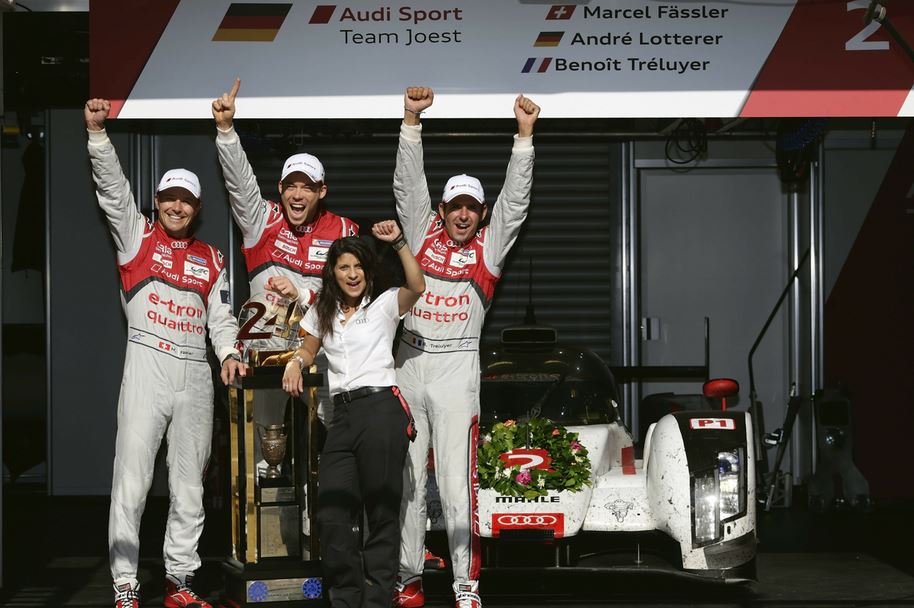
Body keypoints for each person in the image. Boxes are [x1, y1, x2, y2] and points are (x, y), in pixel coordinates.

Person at [85, 98, 249, 608]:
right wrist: (98, 138)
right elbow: (113, 192)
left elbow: (221, 318)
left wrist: (226, 352)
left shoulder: (211, 257)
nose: (176, 207)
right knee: (131, 481)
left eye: (186, 200)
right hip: (147, 364)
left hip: (195, 374)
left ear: (198, 208)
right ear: (157, 200)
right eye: (169, 198)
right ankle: (125, 583)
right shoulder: (135, 237)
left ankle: (181, 581)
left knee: (190, 487)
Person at [392, 87, 540, 608]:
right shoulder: (422, 229)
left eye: (471, 208)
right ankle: (407, 579)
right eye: (454, 206)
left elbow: (515, 203)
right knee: (408, 481)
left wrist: (523, 138)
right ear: (442, 208)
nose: (462, 215)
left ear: (480, 213)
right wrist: (412, 120)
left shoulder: (490, 248)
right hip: (408, 361)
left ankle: (465, 585)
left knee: (457, 485)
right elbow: (408, 183)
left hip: (457, 366)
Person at [282, 221, 425, 608]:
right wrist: (296, 363)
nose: (352, 274)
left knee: (381, 510)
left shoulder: (383, 304)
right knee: (330, 510)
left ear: (368, 270)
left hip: (380, 409)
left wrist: (399, 243)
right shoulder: (323, 310)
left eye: (358, 266)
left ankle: (378, 599)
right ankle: (346, 598)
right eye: (344, 267)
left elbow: (417, 286)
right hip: (340, 416)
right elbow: (308, 348)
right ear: (333, 272)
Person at [212, 77, 358, 427]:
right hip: (267, 347)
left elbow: (351, 296)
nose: (297, 194)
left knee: (339, 436)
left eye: (306, 187)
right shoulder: (261, 220)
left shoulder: (343, 230)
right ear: (279, 188)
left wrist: (303, 294)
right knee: (265, 444)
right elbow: (240, 183)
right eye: (290, 185)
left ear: (322, 191)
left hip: (322, 344)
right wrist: (227, 131)